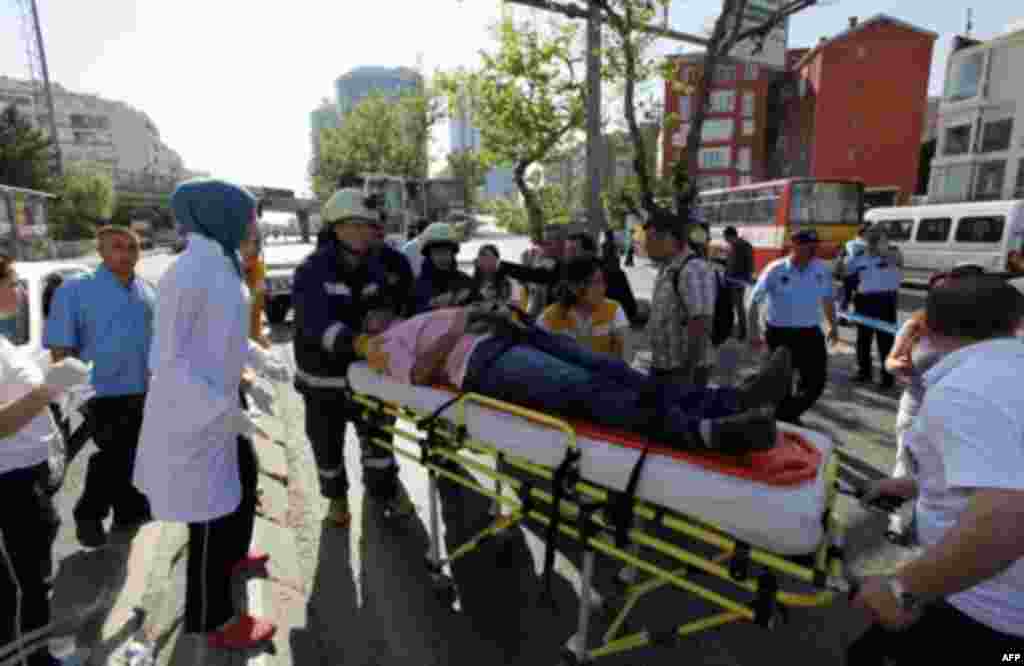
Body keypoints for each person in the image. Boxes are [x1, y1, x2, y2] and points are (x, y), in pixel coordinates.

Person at [133, 179, 285, 649]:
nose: (253, 225)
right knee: (209, 517)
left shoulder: (221, 263)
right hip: (195, 413)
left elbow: (223, 336)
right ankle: (212, 620)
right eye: (248, 215)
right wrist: (221, 411)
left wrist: (258, 361)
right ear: (219, 215)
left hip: (220, 402)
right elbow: (168, 360)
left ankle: (235, 556)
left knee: (242, 480)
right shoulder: (189, 273)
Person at [848, 275, 1024, 663]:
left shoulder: (965, 391)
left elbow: (1008, 518)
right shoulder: (1009, 370)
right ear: (1015, 323)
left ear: (927, 326)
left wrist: (902, 589)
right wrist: (910, 486)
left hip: (987, 610)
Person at [357, 305, 792, 455]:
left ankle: (733, 399)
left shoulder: (414, 315)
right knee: (589, 392)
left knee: (619, 372)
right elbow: (415, 376)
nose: (379, 311)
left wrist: (491, 314)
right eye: (370, 312)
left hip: (505, 336)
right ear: (371, 326)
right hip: (481, 365)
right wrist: (461, 325)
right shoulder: (387, 343)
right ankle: (704, 433)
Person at [292, 188, 411, 529]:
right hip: (323, 383)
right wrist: (357, 341)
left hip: (369, 379)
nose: (361, 232)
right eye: (352, 225)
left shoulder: (376, 267)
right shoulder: (311, 271)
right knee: (327, 448)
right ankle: (337, 499)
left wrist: (385, 316)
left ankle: (384, 491)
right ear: (334, 228)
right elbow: (315, 324)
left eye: (366, 225)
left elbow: (386, 304)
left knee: (378, 442)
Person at [44, 225, 155, 548]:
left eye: (132, 247)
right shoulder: (76, 289)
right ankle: (89, 513)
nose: (126, 253)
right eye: (117, 247)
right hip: (99, 390)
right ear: (101, 252)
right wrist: (74, 393)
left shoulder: (147, 290)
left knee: (132, 451)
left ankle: (129, 510)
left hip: (142, 388)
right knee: (114, 453)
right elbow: (60, 346)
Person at [1, 340, 91, 666]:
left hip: (25, 483)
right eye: (12, 284)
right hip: (8, 488)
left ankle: (39, 654)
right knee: (20, 589)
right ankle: (30, 660)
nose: (20, 291)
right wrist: (51, 387)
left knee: (34, 584)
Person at [747, 229, 838, 427]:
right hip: (780, 333)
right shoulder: (776, 269)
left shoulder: (821, 269)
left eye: (815, 245)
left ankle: (785, 414)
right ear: (794, 244)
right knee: (780, 382)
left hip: (810, 333)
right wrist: (753, 331)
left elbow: (828, 299)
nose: (813, 248)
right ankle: (784, 419)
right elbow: (754, 301)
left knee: (816, 383)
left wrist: (833, 325)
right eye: (807, 244)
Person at [642, 209, 717, 387]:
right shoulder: (667, 268)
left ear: (669, 238)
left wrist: (687, 376)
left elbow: (701, 322)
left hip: (683, 371)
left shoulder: (693, 269)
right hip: (663, 365)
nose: (646, 245)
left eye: (650, 239)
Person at [539, 257, 630, 362]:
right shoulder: (550, 316)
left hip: (604, 375)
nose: (603, 288)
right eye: (596, 282)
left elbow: (626, 353)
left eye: (603, 281)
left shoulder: (613, 309)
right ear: (574, 287)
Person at [845, 227, 903, 388]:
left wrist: (881, 252)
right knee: (863, 340)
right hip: (864, 301)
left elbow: (895, 264)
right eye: (871, 240)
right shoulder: (858, 257)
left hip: (886, 302)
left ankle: (887, 379)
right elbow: (846, 275)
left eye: (878, 240)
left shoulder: (894, 255)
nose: (873, 243)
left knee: (886, 341)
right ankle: (864, 372)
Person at [411, 223, 474, 314]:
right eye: (437, 251)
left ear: (453, 253)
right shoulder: (417, 286)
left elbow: (478, 312)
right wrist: (433, 304)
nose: (442, 256)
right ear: (429, 255)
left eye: (446, 251)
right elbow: (410, 319)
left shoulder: (466, 282)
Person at [240, 216, 270, 349]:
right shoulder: (227, 269)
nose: (250, 248)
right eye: (245, 242)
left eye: (255, 242)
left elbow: (254, 305)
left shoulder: (257, 268)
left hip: (252, 338)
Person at [723, 227, 754, 341]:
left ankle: (739, 332)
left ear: (729, 236)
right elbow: (750, 263)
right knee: (738, 306)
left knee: (735, 306)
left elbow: (733, 264)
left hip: (734, 280)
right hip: (739, 280)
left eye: (725, 237)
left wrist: (727, 277)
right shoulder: (744, 244)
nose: (725, 240)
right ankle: (741, 331)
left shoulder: (737, 245)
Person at [838, 223, 872, 312]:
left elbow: (842, 256)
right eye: (869, 232)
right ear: (864, 233)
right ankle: (853, 316)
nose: (871, 234)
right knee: (859, 296)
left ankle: (843, 317)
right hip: (856, 273)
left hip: (848, 272)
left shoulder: (849, 242)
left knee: (847, 296)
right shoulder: (861, 244)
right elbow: (855, 255)